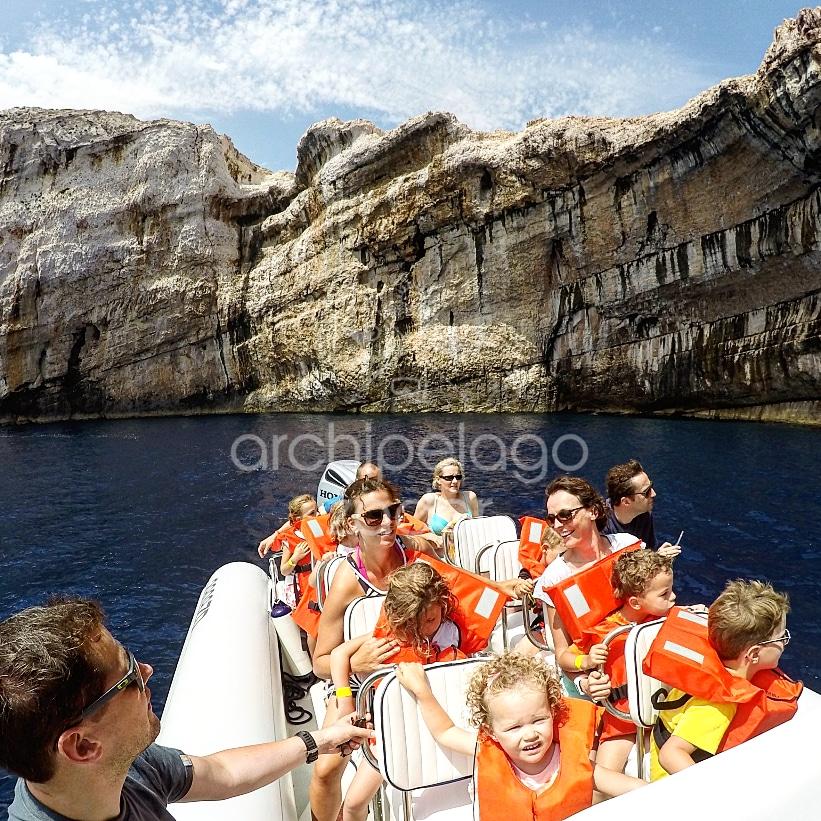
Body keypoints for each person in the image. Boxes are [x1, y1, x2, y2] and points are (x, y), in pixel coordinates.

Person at [0, 596, 372, 821]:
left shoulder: (127, 765)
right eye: (128, 675)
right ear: (82, 747)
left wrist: (318, 741)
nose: (146, 671)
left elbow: (222, 773)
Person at [309, 477, 528, 821]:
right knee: (324, 770)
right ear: (353, 524)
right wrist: (354, 669)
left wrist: (500, 588)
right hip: (357, 685)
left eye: (393, 512)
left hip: (424, 670)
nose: (387, 523)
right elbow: (321, 661)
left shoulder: (417, 555)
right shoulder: (346, 581)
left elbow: (460, 586)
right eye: (373, 517)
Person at [397, 652, 644, 820]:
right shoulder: (486, 750)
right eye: (514, 728)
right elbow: (445, 732)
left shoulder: (574, 761)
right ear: (491, 731)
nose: (530, 735)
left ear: (552, 712)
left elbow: (637, 790)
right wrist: (422, 691)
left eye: (539, 720)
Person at [331, 562, 463, 821]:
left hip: (443, 724)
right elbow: (338, 654)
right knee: (354, 803)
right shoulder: (390, 636)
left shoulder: (452, 634)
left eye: (430, 620)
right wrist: (345, 703)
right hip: (394, 731)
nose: (423, 629)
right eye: (413, 624)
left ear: (442, 604)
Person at [650, 579, 794, 780]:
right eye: (781, 638)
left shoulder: (711, 669)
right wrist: (714, 795)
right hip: (669, 787)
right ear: (753, 654)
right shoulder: (719, 706)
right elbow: (671, 754)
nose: (785, 643)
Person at [566, 549, 676, 775]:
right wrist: (585, 660)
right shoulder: (605, 632)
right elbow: (564, 658)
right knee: (602, 779)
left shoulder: (670, 619)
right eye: (665, 594)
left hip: (667, 712)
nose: (673, 597)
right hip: (622, 721)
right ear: (636, 602)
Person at [533, 476, 637, 692]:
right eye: (552, 519)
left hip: (641, 662)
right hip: (598, 683)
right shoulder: (555, 578)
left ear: (593, 511)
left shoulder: (627, 547)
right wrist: (585, 684)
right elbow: (562, 655)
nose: (558, 525)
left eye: (565, 515)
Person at [603, 460, 680, 557]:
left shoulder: (643, 514)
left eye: (651, 486)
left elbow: (648, 552)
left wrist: (657, 557)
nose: (654, 494)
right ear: (626, 502)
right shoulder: (601, 526)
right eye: (646, 492)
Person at [413, 457, 479, 547]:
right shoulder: (428, 501)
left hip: (466, 554)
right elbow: (411, 534)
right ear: (438, 480)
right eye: (449, 478)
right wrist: (430, 537)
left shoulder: (470, 497)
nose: (455, 481)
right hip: (439, 557)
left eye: (458, 477)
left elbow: (478, 530)